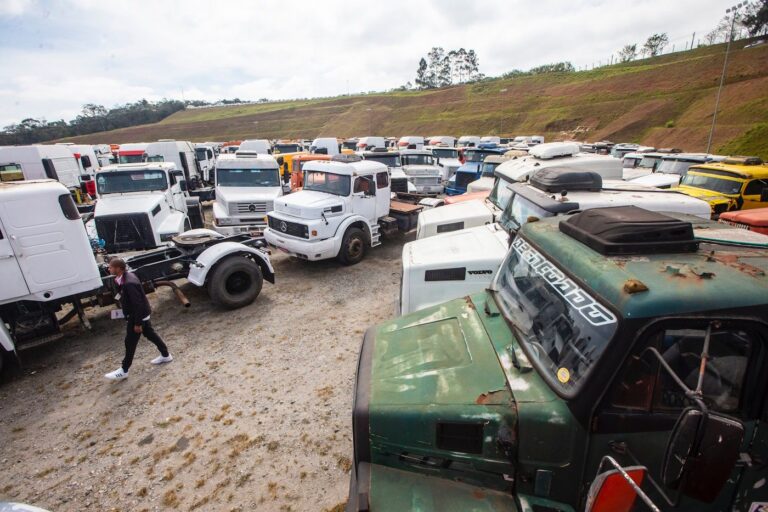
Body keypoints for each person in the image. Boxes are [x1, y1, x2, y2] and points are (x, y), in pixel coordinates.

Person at [104, 258, 172, 381]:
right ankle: (166, 355)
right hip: (140, 315)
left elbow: (138, 304)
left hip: (137, 317)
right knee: (151, 335)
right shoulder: (124, 278)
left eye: (111, 267)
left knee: (129, 343)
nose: (108, 269)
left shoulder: (129, 283)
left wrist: (137, 323)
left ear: (119, 268)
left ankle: (124, 370)